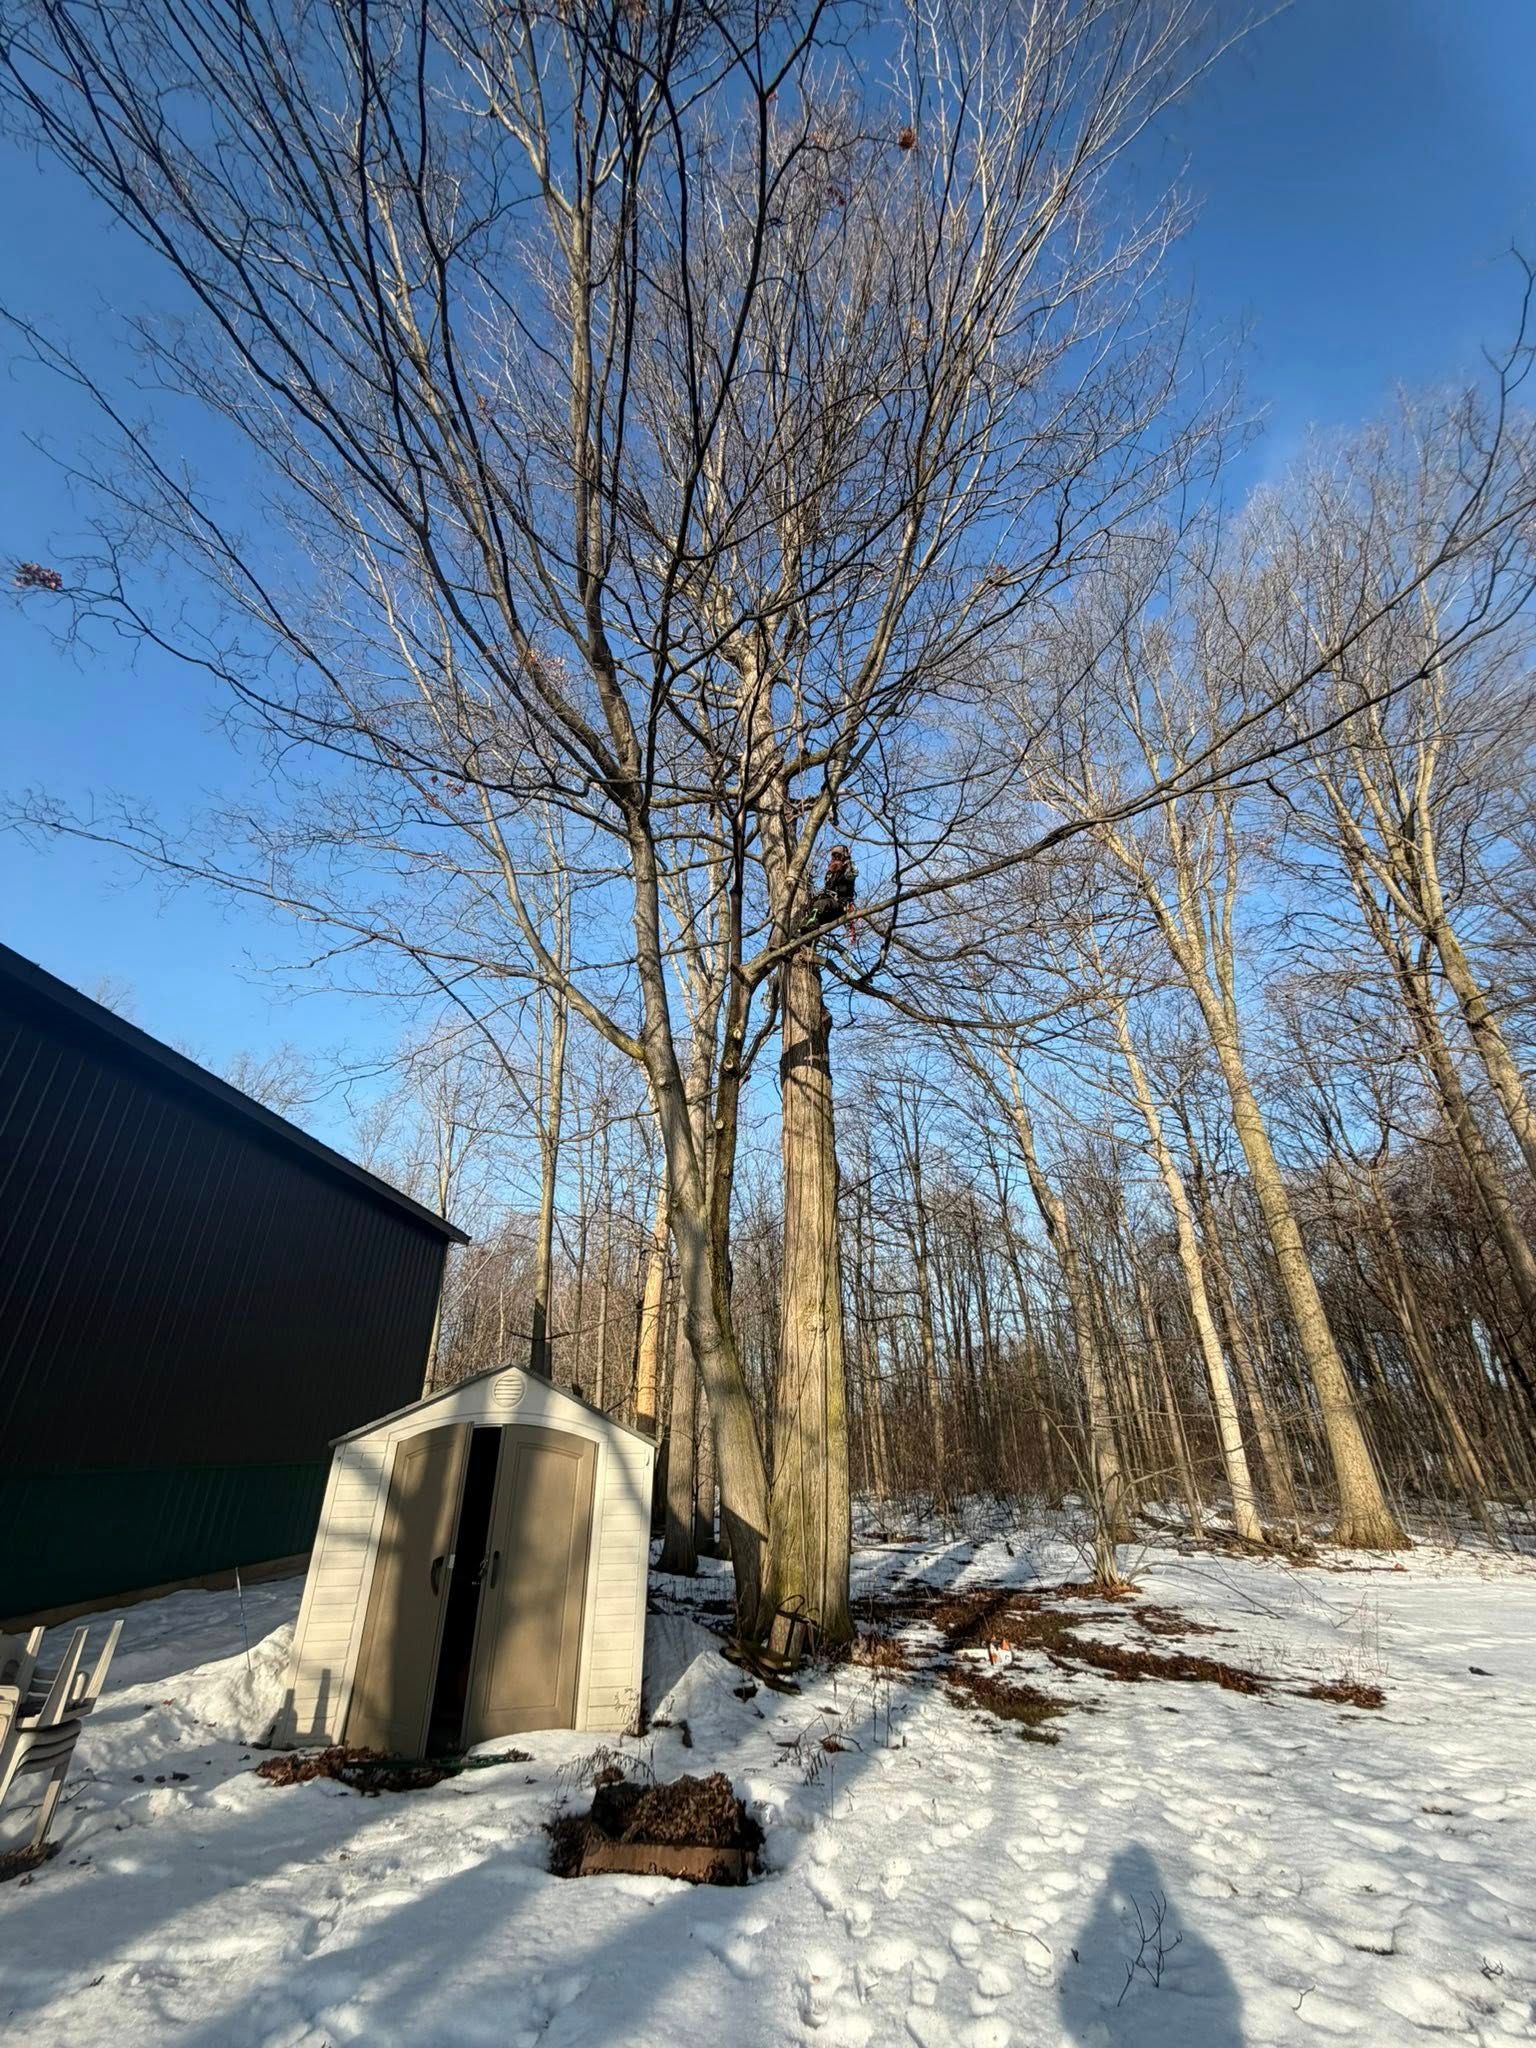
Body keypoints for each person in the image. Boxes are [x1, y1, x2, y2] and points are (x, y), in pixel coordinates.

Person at [799, 844, 858, 933]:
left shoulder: (848, 869)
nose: (836, 858)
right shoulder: (830, 874)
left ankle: (812, 924)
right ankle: (804, 932)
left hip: (840, 906)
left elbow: (853, 874)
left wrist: (847, 864)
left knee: (820, 904)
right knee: (810, 912)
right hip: (827, 909)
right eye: (834, 856)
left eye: (838, 855)